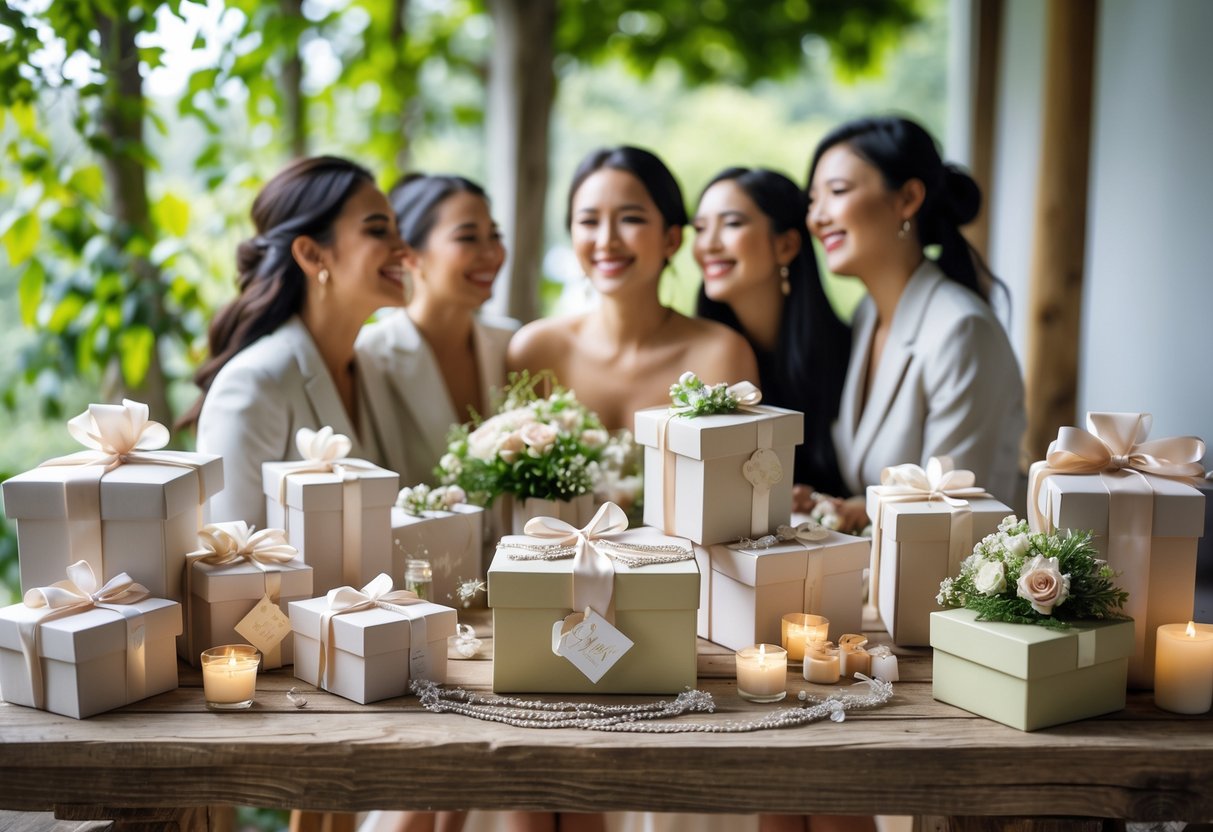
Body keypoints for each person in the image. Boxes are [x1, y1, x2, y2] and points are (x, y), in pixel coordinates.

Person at [805, 115, 1024, 533]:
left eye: (836, 192)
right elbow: (886, 487)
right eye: (812, 200)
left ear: (907, 198)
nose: (817, 217)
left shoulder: (962, 331)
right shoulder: (867, 317)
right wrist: (837, 507)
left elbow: (949, 511)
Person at [186, 155, 408, 530]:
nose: (403, 247)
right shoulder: (253, 385)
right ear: (311, 253)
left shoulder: (374, 367)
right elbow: (230, 562)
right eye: (378, 230)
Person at [508, 145, 758, 433]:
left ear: (672, 239)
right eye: (589, 221)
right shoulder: (535, 351)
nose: (606, 241)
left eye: (630, 219)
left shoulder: (720, 353)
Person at [693, 167, 851, 513]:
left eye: (731, 224)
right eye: (700, 228)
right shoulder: (702, 356)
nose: (708, 244)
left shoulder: (849, 355)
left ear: (786, 245)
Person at [357, 173, 513, 487]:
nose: (491, 254)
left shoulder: (512, 344)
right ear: (410, 253)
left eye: (494, 235)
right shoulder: (368, 357)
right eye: (468, 238)